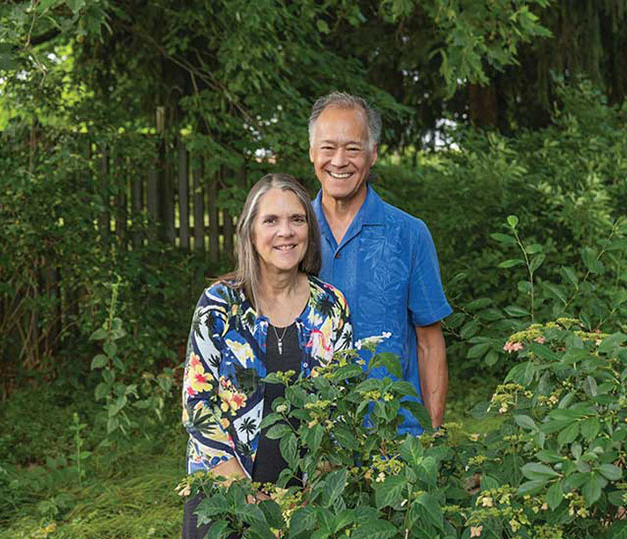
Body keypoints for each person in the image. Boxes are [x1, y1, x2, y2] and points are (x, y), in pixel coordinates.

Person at [181, 173, 353, 538]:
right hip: (223, 497)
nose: (285, 232)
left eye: (297, 219)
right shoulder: (219, 306)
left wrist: (316, 494)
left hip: (303, 505)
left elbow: (340, 409)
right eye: (271, 220)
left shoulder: (331, 307)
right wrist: (249, 499)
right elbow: (197, 407)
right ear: (250, 231)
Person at [308, 91, 452, 435]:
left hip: (396, 437)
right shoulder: (291, 236)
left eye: (353, 148)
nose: (339, 161)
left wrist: (432, 435)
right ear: (312, 152)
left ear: (373, 154)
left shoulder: (410, 234)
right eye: (328, 147)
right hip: (313, 442)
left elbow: (429, 343)